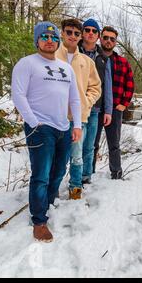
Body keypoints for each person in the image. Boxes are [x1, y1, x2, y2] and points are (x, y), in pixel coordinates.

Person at [11, 21, 82, 242]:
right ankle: (39, 220)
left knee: (59, 171)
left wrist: (77, 125)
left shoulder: (66, 67)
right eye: (44, 37)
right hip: (40, 128)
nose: (49, 40)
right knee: (41, 175)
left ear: (57, 41)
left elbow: (74, 98)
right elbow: (18, 95)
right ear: (37, 40)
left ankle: (49, 203)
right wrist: (33, 122)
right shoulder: (27, 64)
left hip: (63, 127)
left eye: (53, 37)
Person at [56, 18, 101, 200]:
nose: (72, 36)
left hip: (78, 118)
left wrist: (86, 102)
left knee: (77, 156)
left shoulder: (86, 61)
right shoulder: (53, 56)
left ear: (80, 36)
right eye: (69, 32)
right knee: (57, 157)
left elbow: (96, 87)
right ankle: (52, 189)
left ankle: (75, 189)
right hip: (55, 117)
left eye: (76, 33)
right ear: (62, 33)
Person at [95, 26, 135, 180]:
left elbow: (130, 85)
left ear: (115, 42)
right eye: (105, 37)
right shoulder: (93, 58)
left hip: (115, 108)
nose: (108, 41)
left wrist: (123, 104)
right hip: (96, 108)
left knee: (114, 144)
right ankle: (89, 174)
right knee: (92, 144)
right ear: (100, 38)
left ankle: (116, 174)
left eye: (112, 39)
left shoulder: (122, 62)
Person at [78, 18, 113, 183]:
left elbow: (107, 86)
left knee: (89, 145)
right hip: (74, 108)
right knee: (73, 145)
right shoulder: (73, 52)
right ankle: (72, 177)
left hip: (95, 108)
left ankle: (85, 177)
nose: (90, 33)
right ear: (82, 33)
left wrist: (108, 111)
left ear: (98, 35)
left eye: (94, 31)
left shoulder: (103, 58)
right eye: (87, 30)